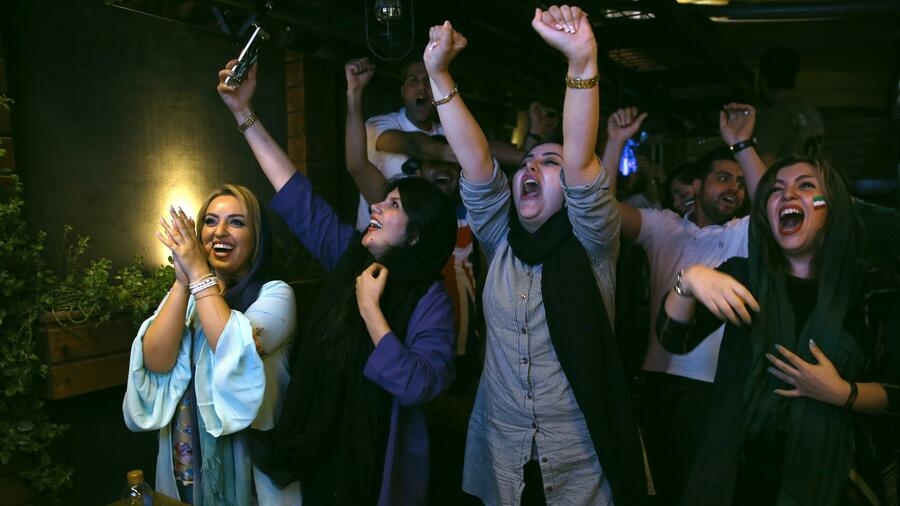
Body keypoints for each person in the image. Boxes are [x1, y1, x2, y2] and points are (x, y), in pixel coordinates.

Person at [424, 6, 647, 505]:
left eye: (550, 163)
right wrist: (439, 73)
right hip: (501, 451)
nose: (533, 167)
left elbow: (582, 160)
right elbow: (478, 163)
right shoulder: (499, 239)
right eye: (527, 161)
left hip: (580, 456)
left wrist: (581, 63)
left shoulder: (592, 240)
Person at [218, 57, 459, 505]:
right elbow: (294, 193)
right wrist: (242, 114)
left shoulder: (430, 298)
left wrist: (370, 309)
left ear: (418, 233)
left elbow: (421, 384)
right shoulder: (348, 254)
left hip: (374, 465)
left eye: (392, 206)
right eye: (381, 200)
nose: (376, 209)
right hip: (319, 449)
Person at [658, 156, 896, 505]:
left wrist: (843, 392)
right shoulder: (744, 277)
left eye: (806, 186)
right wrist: (689, 279)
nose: (787, 196)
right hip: (747, 480)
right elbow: (673, 339)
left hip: (838, 481)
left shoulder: (871, 290)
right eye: (776, 190)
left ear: (831, 205)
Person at [601, 105, 766, 504]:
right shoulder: (664, 226)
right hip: (656, 380)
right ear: (695, 185)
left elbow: (769, 208)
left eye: (740, 183)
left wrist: (741, 145)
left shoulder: (742, 232)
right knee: (653, 484)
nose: (733, 188)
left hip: (711, 388)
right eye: (723, 178)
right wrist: (615, 142)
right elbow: (597, 209)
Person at [123, 184, 302, 505]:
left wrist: (198, 274)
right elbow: (155, 361)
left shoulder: (276, 295)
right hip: (187, 461)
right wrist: (181, 282)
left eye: (236, 222)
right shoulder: (187, 297)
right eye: (209, 221)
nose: (219, 231)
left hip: (253, 465)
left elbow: (234, 349)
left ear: (256, 236)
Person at [755, 46, 825, 166]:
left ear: (763, 80)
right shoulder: (810, 110)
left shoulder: (774, 117)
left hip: (788, 183)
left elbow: (762, 172)